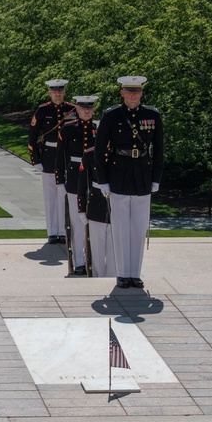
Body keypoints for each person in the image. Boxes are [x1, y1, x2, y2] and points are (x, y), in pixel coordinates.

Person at [95, 76, 164, 289]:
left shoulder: (152, 115)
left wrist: (155, 178)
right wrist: (103, 181)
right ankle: (122, 274)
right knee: (121, 228)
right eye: (129, 91)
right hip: (119, 174)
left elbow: (159, 150)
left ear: (141, 93)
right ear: (122, 93)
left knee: (138, 227)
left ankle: (135, 273)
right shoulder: (111, 116)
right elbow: (99, 151)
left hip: (142, 175)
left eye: (137, 91)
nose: (133, 95)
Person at [28, 79, 76, 244]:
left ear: (64, 92)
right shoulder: (42, 110)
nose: (58, 94)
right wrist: (36, 159)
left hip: (66, 157)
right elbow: (32, 136)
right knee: (50, 197)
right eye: (54, 91)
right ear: (49, 92)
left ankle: (63, 231)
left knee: (64, 195)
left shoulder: (72, 110)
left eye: (60, 91)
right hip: (49, 156)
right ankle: (52, 231)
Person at [55, 96, 98, 275]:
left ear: (93, 110)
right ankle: (79, 262)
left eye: (89, 108)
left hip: (94, 179)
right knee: (77, 222)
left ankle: (94, 260)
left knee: (96, 222)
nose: (86, 111)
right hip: (74, 178)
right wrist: (60, 180)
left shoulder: (99, 129)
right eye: (83, 108)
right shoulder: (68, 128)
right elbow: (59, 155)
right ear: (77, 109)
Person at [79, 109, 114, 278]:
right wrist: (81, 209)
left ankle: (114, 276)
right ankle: (99, 277)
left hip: (116, 205)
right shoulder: (90, 154)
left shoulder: (119, 154)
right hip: (96, 205)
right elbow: (82, 184)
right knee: (98, 248)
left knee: (115, 248)